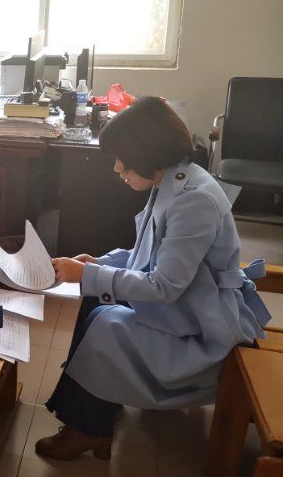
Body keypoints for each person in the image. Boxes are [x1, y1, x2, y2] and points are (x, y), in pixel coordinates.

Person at [36, 96, 270, 461]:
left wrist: (91, 274)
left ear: (146, 152)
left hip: (204, 326)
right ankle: (95, 409)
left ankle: (89, 428)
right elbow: (149, 253)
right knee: (96, 296)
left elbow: (164, 285)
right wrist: (97, 265)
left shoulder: (192, 200)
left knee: (106, 322)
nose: (117, 168)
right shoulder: (173, 181)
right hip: (189, 303)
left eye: (122, 158)